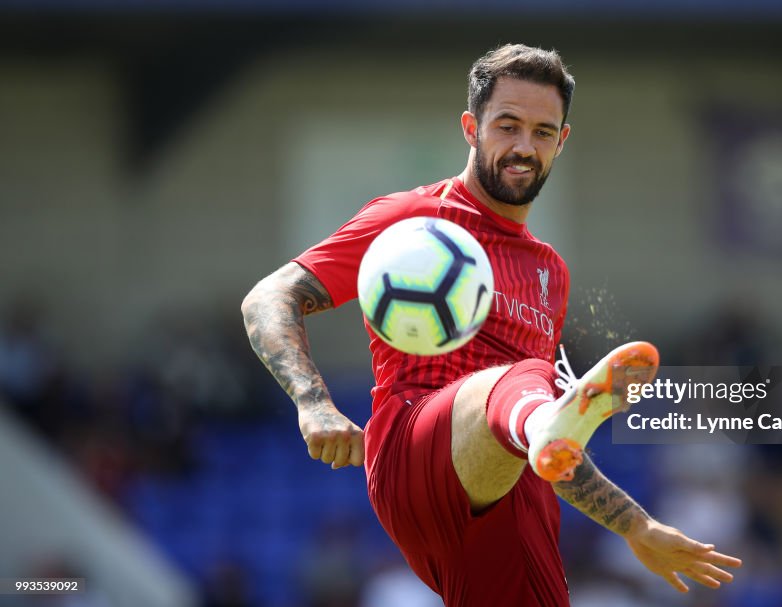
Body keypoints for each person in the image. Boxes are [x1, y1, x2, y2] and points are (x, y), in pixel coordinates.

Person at [241, 43, 741, 606]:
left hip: (512, 488)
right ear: (471, 128)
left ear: (562, 141)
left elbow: (553, 445)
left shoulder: (550, 271)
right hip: (414, 452)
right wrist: (314, 403)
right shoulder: (413, 220)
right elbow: (269, 298)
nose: (524, 147)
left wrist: (636, 527)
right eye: (507, 125)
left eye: (543, 132)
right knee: (528, 377)